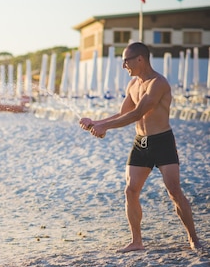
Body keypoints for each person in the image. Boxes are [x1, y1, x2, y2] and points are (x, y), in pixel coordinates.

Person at [79, 42, 202, 253]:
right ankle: (137, 241)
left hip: (162, 141)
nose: (123, 65)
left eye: (126, 60)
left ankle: (193, 239)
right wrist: (96, 123)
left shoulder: (158, 83)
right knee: (131, 190)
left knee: (174, 191)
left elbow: (138, 113)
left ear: (140, 59)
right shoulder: (133, 85)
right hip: (141, 142)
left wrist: (103, 126)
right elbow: (123, 114)